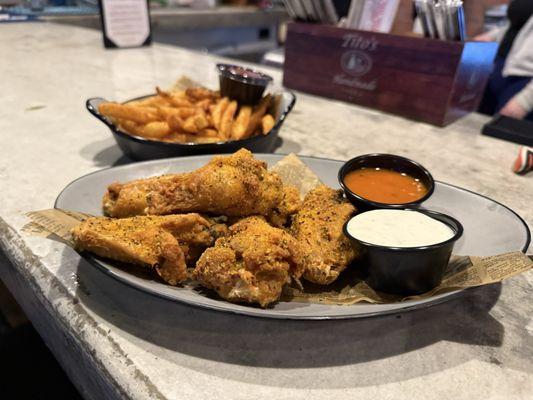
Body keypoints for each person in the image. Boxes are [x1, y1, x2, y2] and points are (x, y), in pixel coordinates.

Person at [477, 0, 533, 121]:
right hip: (500, 68)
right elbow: (515, 26)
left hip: (524, 81)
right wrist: (492, 36)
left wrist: (525, 101)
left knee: (499, 132)